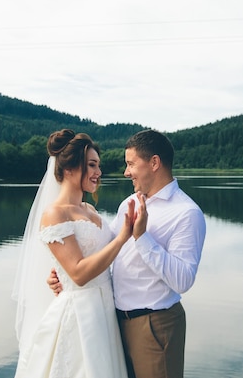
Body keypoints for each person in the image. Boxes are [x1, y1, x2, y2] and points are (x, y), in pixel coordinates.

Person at [49, 129, 207, 378]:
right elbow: (105, 252)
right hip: (111, 323)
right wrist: (64, 274)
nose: (126, 172)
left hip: (155, 326)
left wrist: (143, 238)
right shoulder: (129, 202)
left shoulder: (186, 213)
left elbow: (183, 280)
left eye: (131, 164)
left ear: (154, 163)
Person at [12, 128, 147, 378]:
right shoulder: (55, 214)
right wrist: (122, 237)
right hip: (81, 313)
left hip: (106, 310)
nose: (98, 172)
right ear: (68, 169)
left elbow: (93, 259)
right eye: (92, 165)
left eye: (98, 165)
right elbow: (77, 273)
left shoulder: (91, 211)